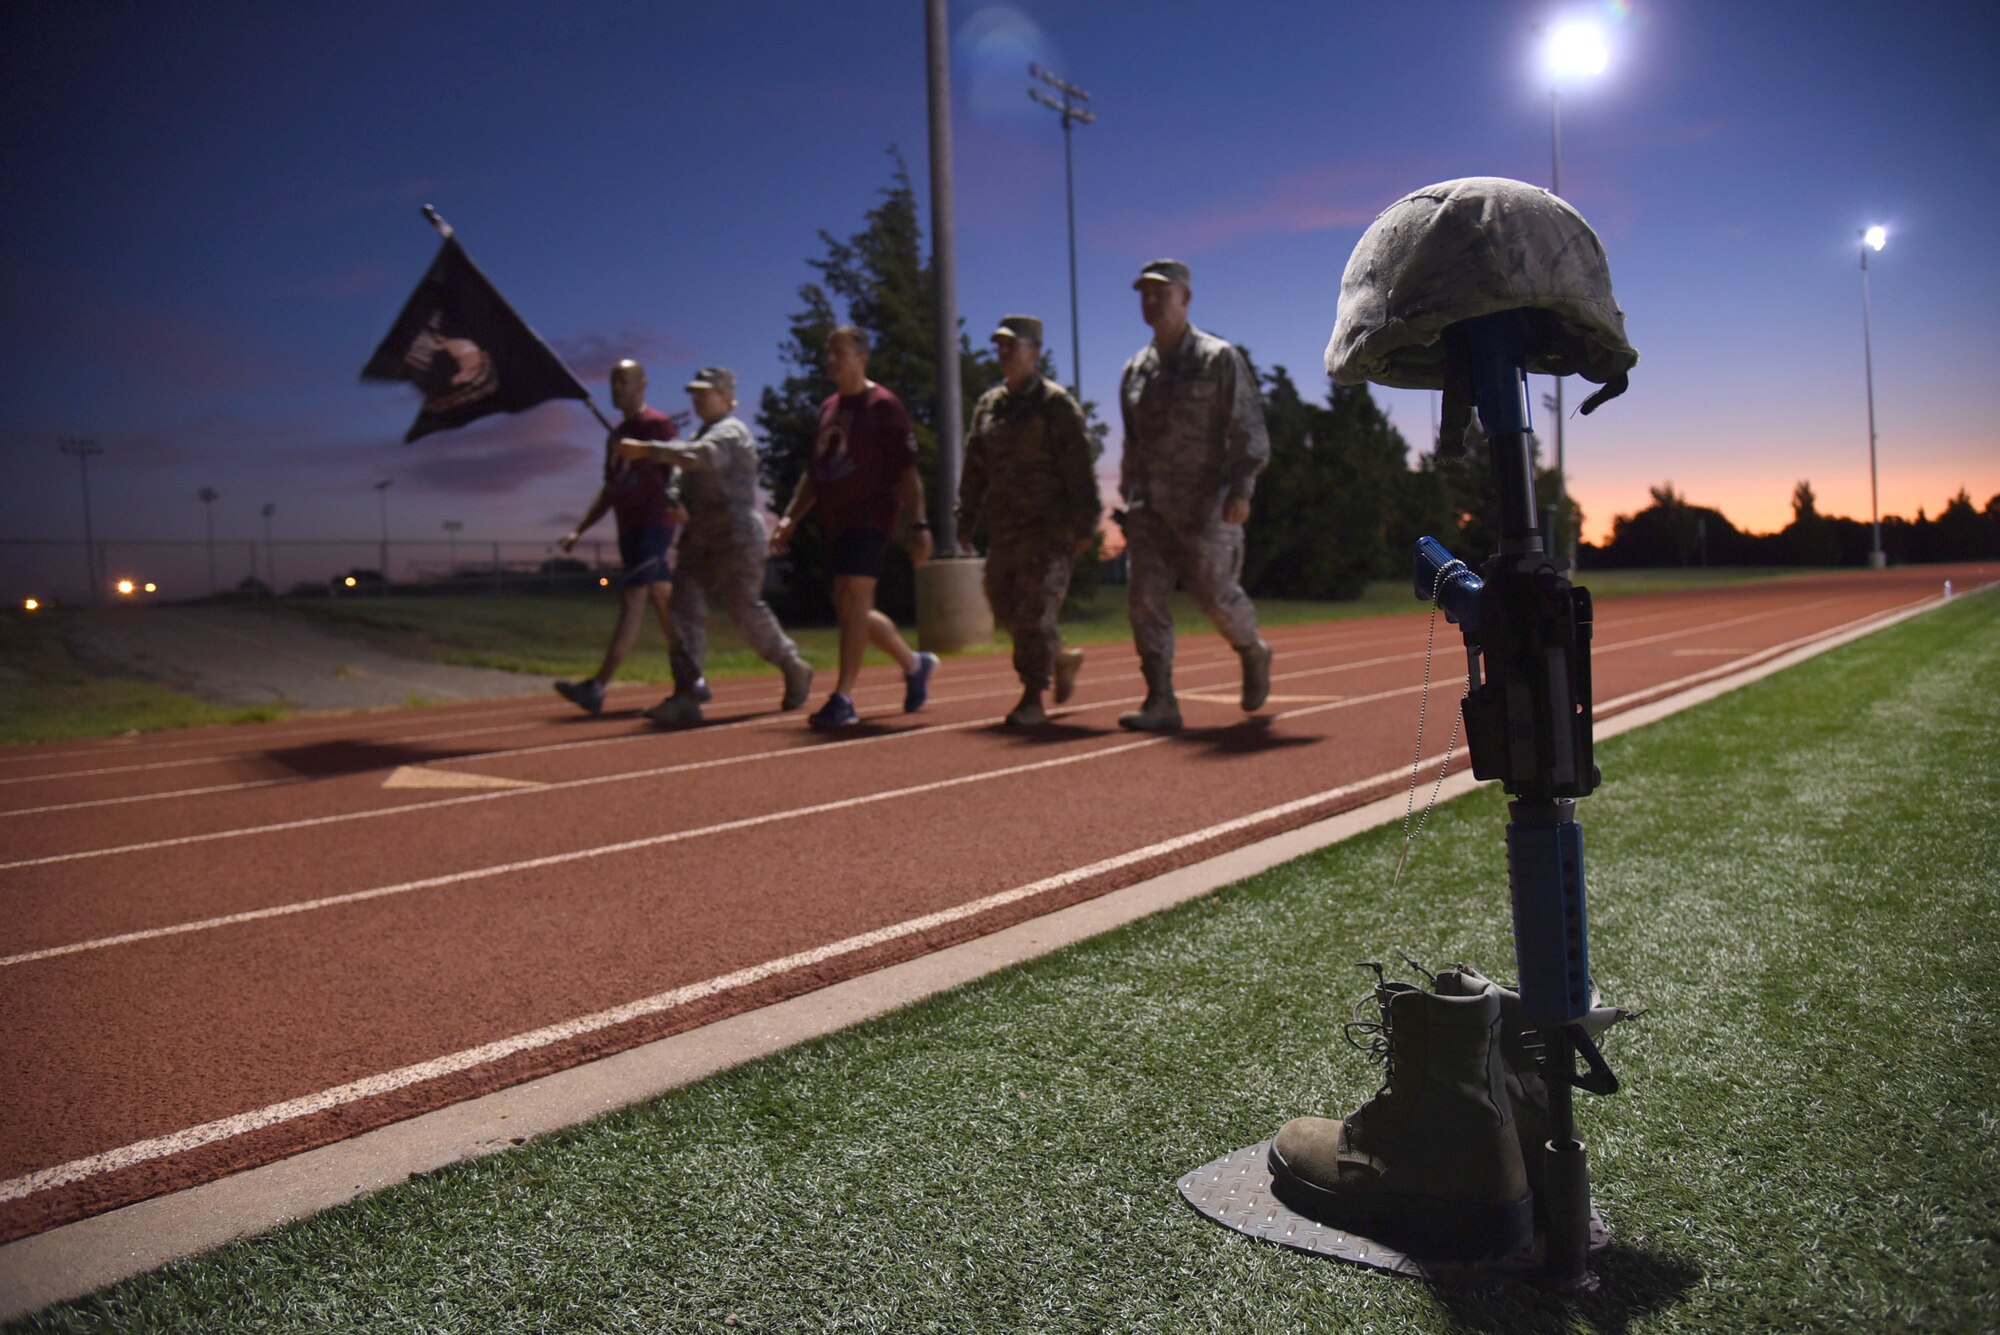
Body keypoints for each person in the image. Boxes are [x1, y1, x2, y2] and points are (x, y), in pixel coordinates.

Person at [1116, 259, 1273, 731]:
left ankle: (1251, 648)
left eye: (1161, 293)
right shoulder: (1135, 370)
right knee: (1144, 598)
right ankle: (1161, 699)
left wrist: (1242, 487)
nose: (1151, 301)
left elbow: (1247, 428)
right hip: (1150, 509)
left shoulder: (1217, 358)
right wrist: (1129, 490)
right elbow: (1132, 439)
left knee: (1215, 595)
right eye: (1144, 293)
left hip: (1206, 505)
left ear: (1185, 299)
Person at [616, 366, 813, 725]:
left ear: (725, 397)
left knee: (743, 608)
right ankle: (687, 692)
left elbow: (701, 457)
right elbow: (680, 474)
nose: (697, 398)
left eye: (705, 392)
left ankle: (791, 664)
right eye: (694, 392)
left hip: (736, 534)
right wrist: (675, 498)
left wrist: (647, 450)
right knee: (683, 607)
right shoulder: (697, 435)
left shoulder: (731, 432)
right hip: (700, 537)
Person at [770, 325, 937, 730]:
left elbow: (908, 474)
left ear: (862, 357)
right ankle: (915, 664)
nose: (830, 360)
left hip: (872, 517)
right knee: (851, 607)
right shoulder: (828, 408)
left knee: (852, 593)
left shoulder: (884, 406)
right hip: (835, 520)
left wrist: (919, 525)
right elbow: (815, 473)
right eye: (828, 353)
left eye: (838, 352)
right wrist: (792, 517)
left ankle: (843, 698)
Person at [957, 315, 1100, 727]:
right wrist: (964, 518)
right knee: (1003, 603)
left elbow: (1079, 466)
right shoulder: (989, 405)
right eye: (999, 345)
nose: (1003, 353)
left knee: (1035, 613)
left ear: (1034, 352)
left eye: (1012, 345)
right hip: (1006, 528)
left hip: (1049, 528)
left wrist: (1085, 523)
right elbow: (975, 468)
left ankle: (1032, 695)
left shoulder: (1055, 405)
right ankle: (1060, 659)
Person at [553, 359, 682, 714]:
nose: (616, 388)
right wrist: (580, 528)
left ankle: (598, 686)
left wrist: (678, 503)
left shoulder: (657, 425)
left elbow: (678, 469)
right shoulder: (614, 436)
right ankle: (693, 679)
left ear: (642, 383)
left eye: (623, 381)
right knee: (664, 603)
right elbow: (610, 489)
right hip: (629, 528)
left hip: (653, 525)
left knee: (633, 599)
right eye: (612, 381)